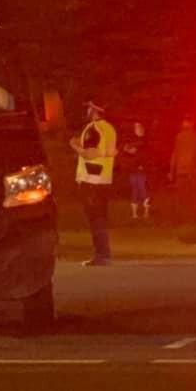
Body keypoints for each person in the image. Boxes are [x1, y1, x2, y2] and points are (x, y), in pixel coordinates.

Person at [70, 100, 118, 266]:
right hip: (104, 179)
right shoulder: (109, 128)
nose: (88, 111)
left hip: (91, 181)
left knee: (95, 219)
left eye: (90, 108)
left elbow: (90, 154)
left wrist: (75, 146)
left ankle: (102, 255)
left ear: (95, 110)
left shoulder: (93, 128)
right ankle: (104, 253)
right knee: (101, 218)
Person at [168, 114, 196, 223]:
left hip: (189, 172)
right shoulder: (183, 137)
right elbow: (176, 154)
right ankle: (188, 218)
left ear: (191, 124)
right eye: (184, 121)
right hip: (186, 171)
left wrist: (172, 171)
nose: (184, 124)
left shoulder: (195, 138)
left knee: (189, 197)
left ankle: (191, 218)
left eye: (186, 122)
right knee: (187, 197)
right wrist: (172, 170)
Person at [122, 121, 150, 220]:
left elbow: (136, 150)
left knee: (142, 189)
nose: (137, 129)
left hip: (141, 169)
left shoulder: (144, 140)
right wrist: (128, 149)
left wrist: (129, 149)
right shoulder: (132, 140)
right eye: (135, 127)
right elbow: (126, 150)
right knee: (135, 190)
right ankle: (134, 214)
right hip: (133, 169)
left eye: (138, 127)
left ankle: (146, 212)